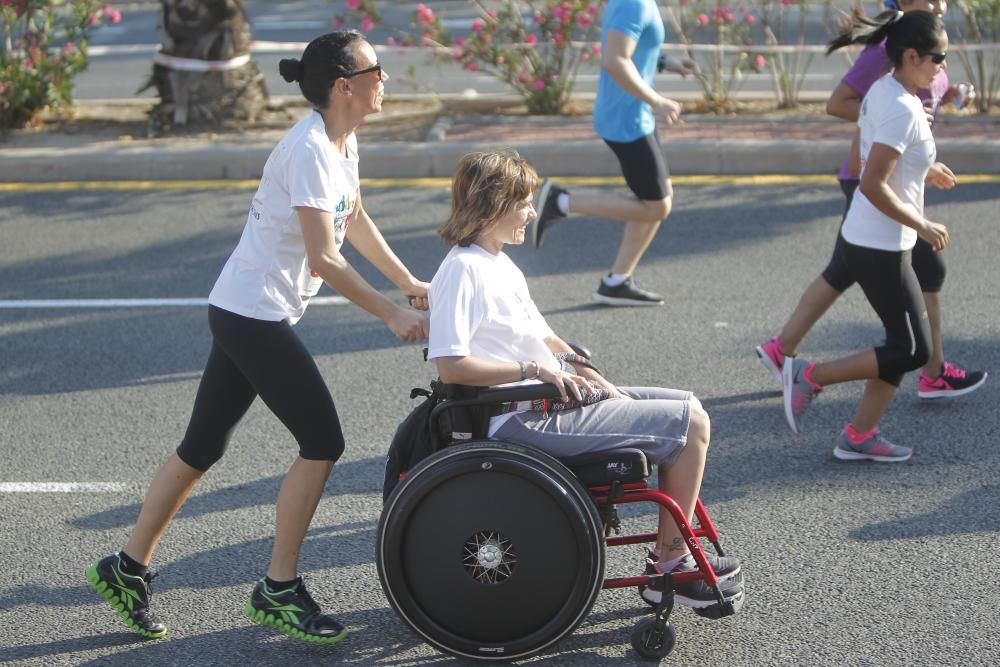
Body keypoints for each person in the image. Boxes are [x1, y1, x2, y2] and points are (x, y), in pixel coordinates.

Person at [85, 31, 429, 643]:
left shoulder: (340, 144)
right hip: (252, 315)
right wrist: (389, 313)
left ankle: (126, 568)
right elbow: (324, 258)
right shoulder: (308, 151)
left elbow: (352, 214)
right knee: (322, 441)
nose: (387, 80)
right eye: (379, 70)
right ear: (344, 85)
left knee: (202, 446)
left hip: (246, 307)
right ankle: (278, 587)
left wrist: (407, 282)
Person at [427, 150, 743, 610]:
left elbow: (545, 337)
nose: (532, 213)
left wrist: (588, 371)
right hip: (517, 419)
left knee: (688, 405)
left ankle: (671, 556)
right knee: (689, 424)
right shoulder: (462, 269)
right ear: (494, 205)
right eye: (524, 204)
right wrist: (533, 371)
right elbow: (451, 366)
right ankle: (670, 565)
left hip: (548, 401)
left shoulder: (499, 263)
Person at [756, 0, 986, 402]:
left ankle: (787, 352)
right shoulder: (889, 53)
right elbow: (841, 104)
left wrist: (937, 109)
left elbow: (904, 111)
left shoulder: (915, 48)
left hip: (888, 176)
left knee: (844, 270)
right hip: (870, 179)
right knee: (921, 276)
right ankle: (923, 369)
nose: (941, 5)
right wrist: (898, 129)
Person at [778, 10, 957, 461]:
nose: (943, 67)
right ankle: (811, 376)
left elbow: (872, 158)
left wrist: (924, 168)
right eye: (939, 58)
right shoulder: (901, 108)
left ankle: (860, 434)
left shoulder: (886, 90)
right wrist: (922, 224)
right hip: (882, 244)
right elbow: (872, 181)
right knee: (912, 348)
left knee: (906, 343)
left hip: (866, 234)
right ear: (912, 54)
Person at [528, 0, 699, 307]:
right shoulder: (632, 3)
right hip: (626, 120)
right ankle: (560, 201)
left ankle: (617, 282)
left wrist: (664, 61)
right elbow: (615, 60)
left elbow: (633, 49)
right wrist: (657, 100)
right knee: (657, 207)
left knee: (657, 200)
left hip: (635, 115)